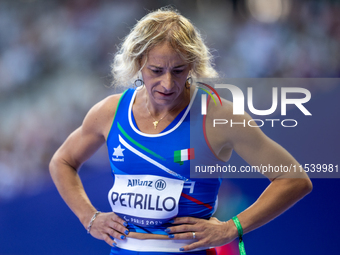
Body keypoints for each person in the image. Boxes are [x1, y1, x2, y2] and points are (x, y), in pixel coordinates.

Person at [49, 7, 313, 255]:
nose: (167, 83)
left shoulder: (220, 116)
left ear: (192, 65)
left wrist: (232, 227)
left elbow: (294, 179)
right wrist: (89, 216)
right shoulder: (109, 111)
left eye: (178, 70)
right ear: (138, 62)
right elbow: (62, 161)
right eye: (156, 70)